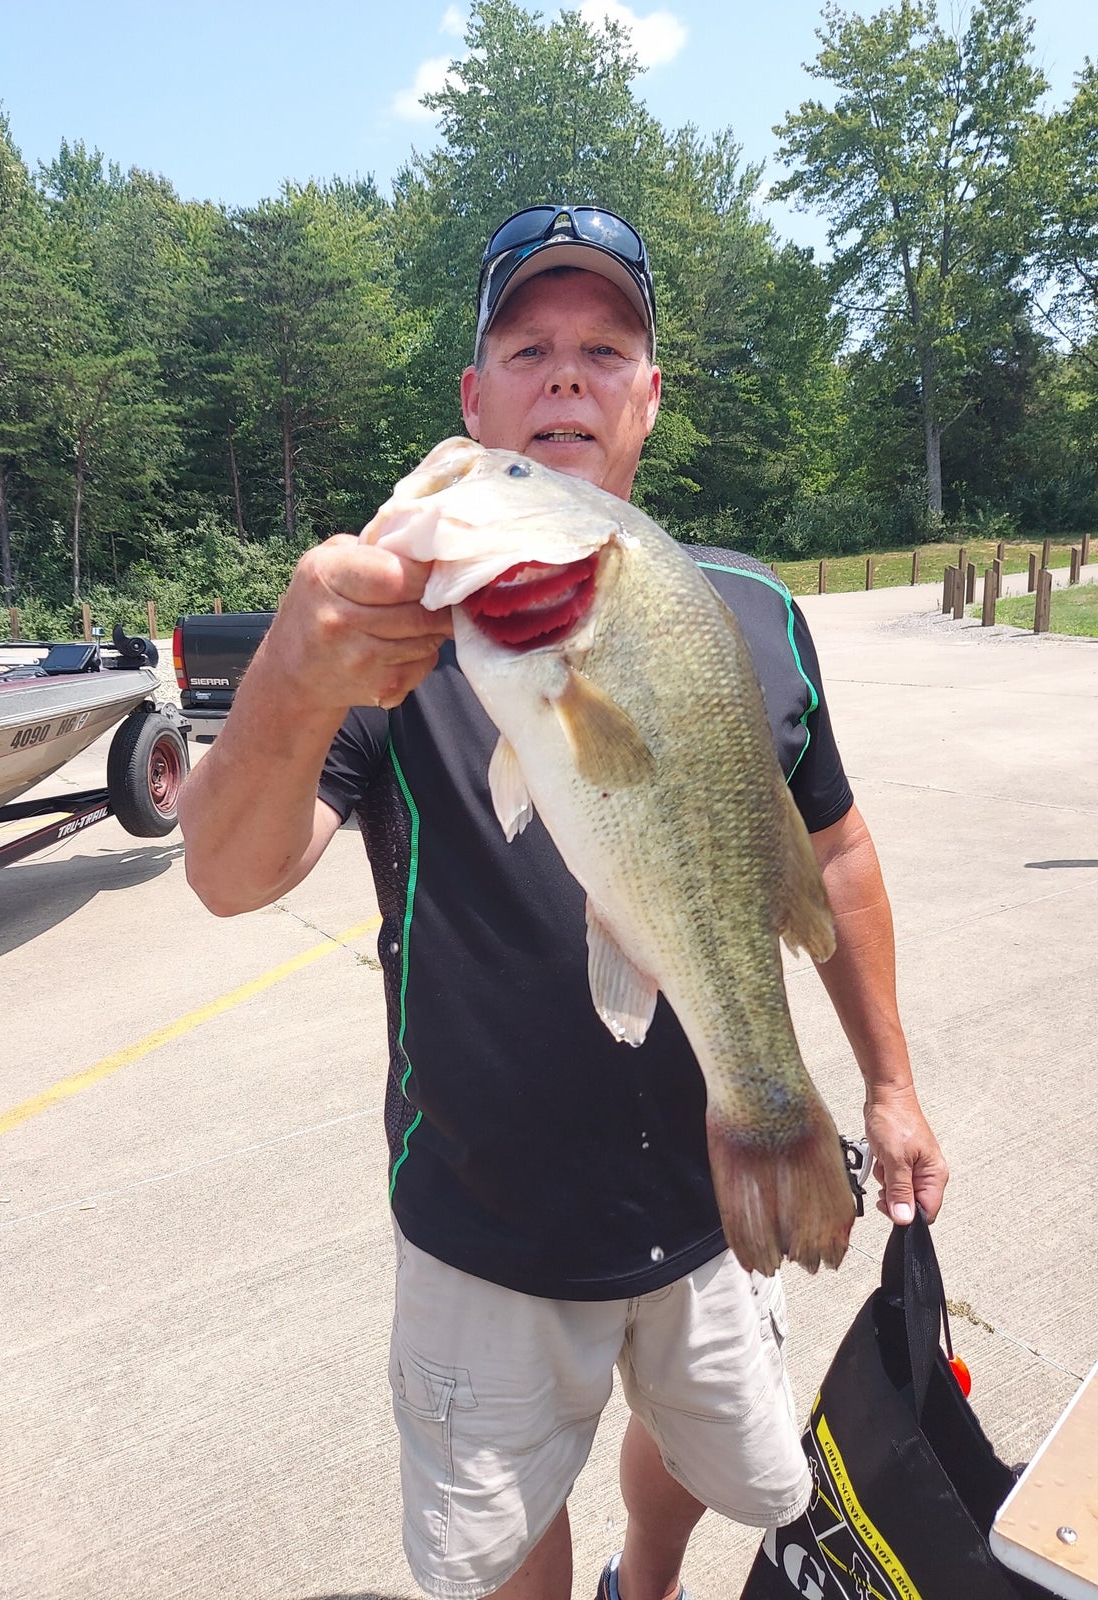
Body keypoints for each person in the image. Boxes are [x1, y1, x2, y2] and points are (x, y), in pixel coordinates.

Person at [178, 204, 949, 1600]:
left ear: (650, 398)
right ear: (476, 400)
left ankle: (644, 1577)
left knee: (713, 1458)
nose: (565, 376)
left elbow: (830, 854)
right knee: (504, 1519)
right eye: (526, 349)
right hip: (483, 1214)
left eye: (606, 348)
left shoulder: (752, 614)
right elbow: (231, 877)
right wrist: (292, 670)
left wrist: (889, 1086)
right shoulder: (383, 632)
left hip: (708, 1197)